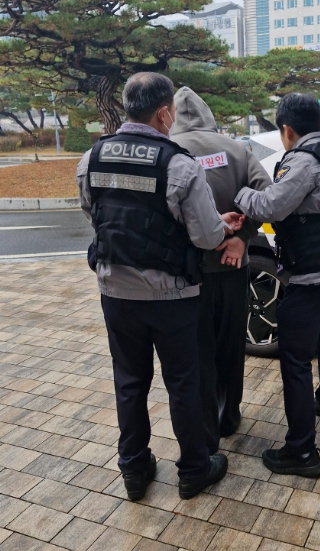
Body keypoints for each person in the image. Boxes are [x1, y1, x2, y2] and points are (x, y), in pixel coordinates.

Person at [76, 72, 244, 501]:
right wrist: (221, 226)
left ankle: (134, 470)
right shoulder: (179, 164)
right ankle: (194, 470)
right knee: (184, 382)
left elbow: (94, 213)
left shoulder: (92, 158)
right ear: (165, 113)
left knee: (129, 381)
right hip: (172, 296)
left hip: (116, 291)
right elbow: (205, 237)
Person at [234, 92, 320, 477]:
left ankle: (302, 451)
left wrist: (238, 192)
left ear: (287, 129)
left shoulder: (303, 161)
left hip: (314, 274)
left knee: (295, 358)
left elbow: (270, 206)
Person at [169, 87, 271, 454]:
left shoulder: (168, 152)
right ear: (209, 114)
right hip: (233, 266)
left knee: (198, 351)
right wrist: (242, 236)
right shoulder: (236, 149)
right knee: (231, 345)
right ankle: (230, 417)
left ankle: (206, 423)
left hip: (188, 273)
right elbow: (268, 195)